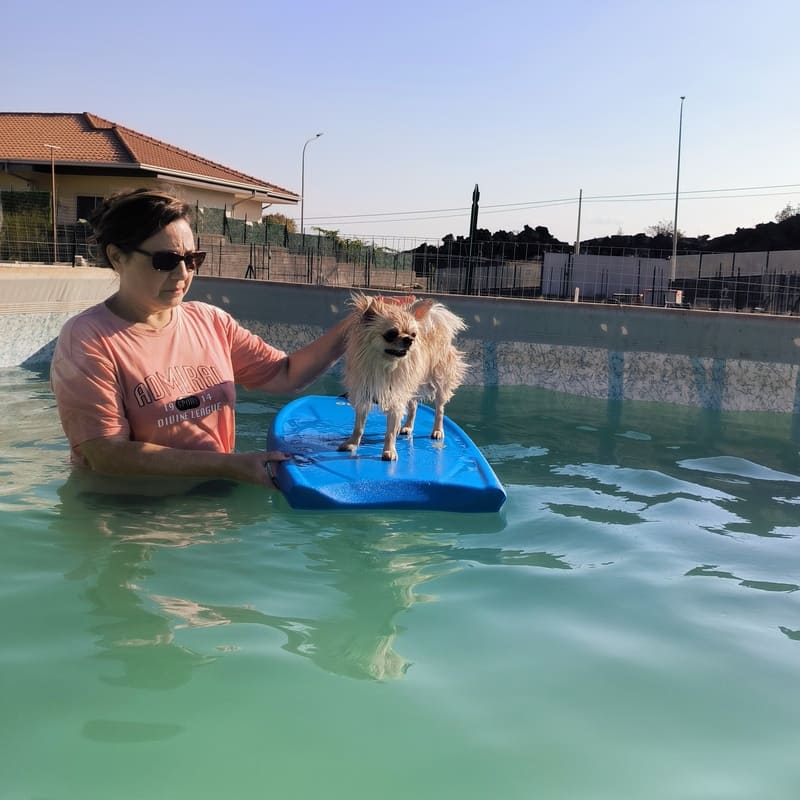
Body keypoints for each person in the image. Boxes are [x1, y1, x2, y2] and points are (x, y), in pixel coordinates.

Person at [51, 188, 373, 490]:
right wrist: (230, 466)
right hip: (129, 520)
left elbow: (285, 373)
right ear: (118, 257)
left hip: (211, 506)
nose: (182, 274)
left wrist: (357, 325)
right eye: (165, 261)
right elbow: (106, 454)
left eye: (192, 259)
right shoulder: (88, 339)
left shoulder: (209, 320)